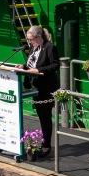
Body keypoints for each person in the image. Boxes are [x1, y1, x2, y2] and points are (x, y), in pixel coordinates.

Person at [16, 26, 59, 157]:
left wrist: (39, 70)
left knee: (45, 116)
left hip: (46, 86)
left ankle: (46, 146)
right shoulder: (33, 47)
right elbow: (31, 65)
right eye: (28, 40)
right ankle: (43, 142)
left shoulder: (50, 47)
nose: (30, 42)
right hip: (35, 85)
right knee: (40, 116)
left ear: (39, 37)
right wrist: (23, 67)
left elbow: (54, 65)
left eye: (31, 39)